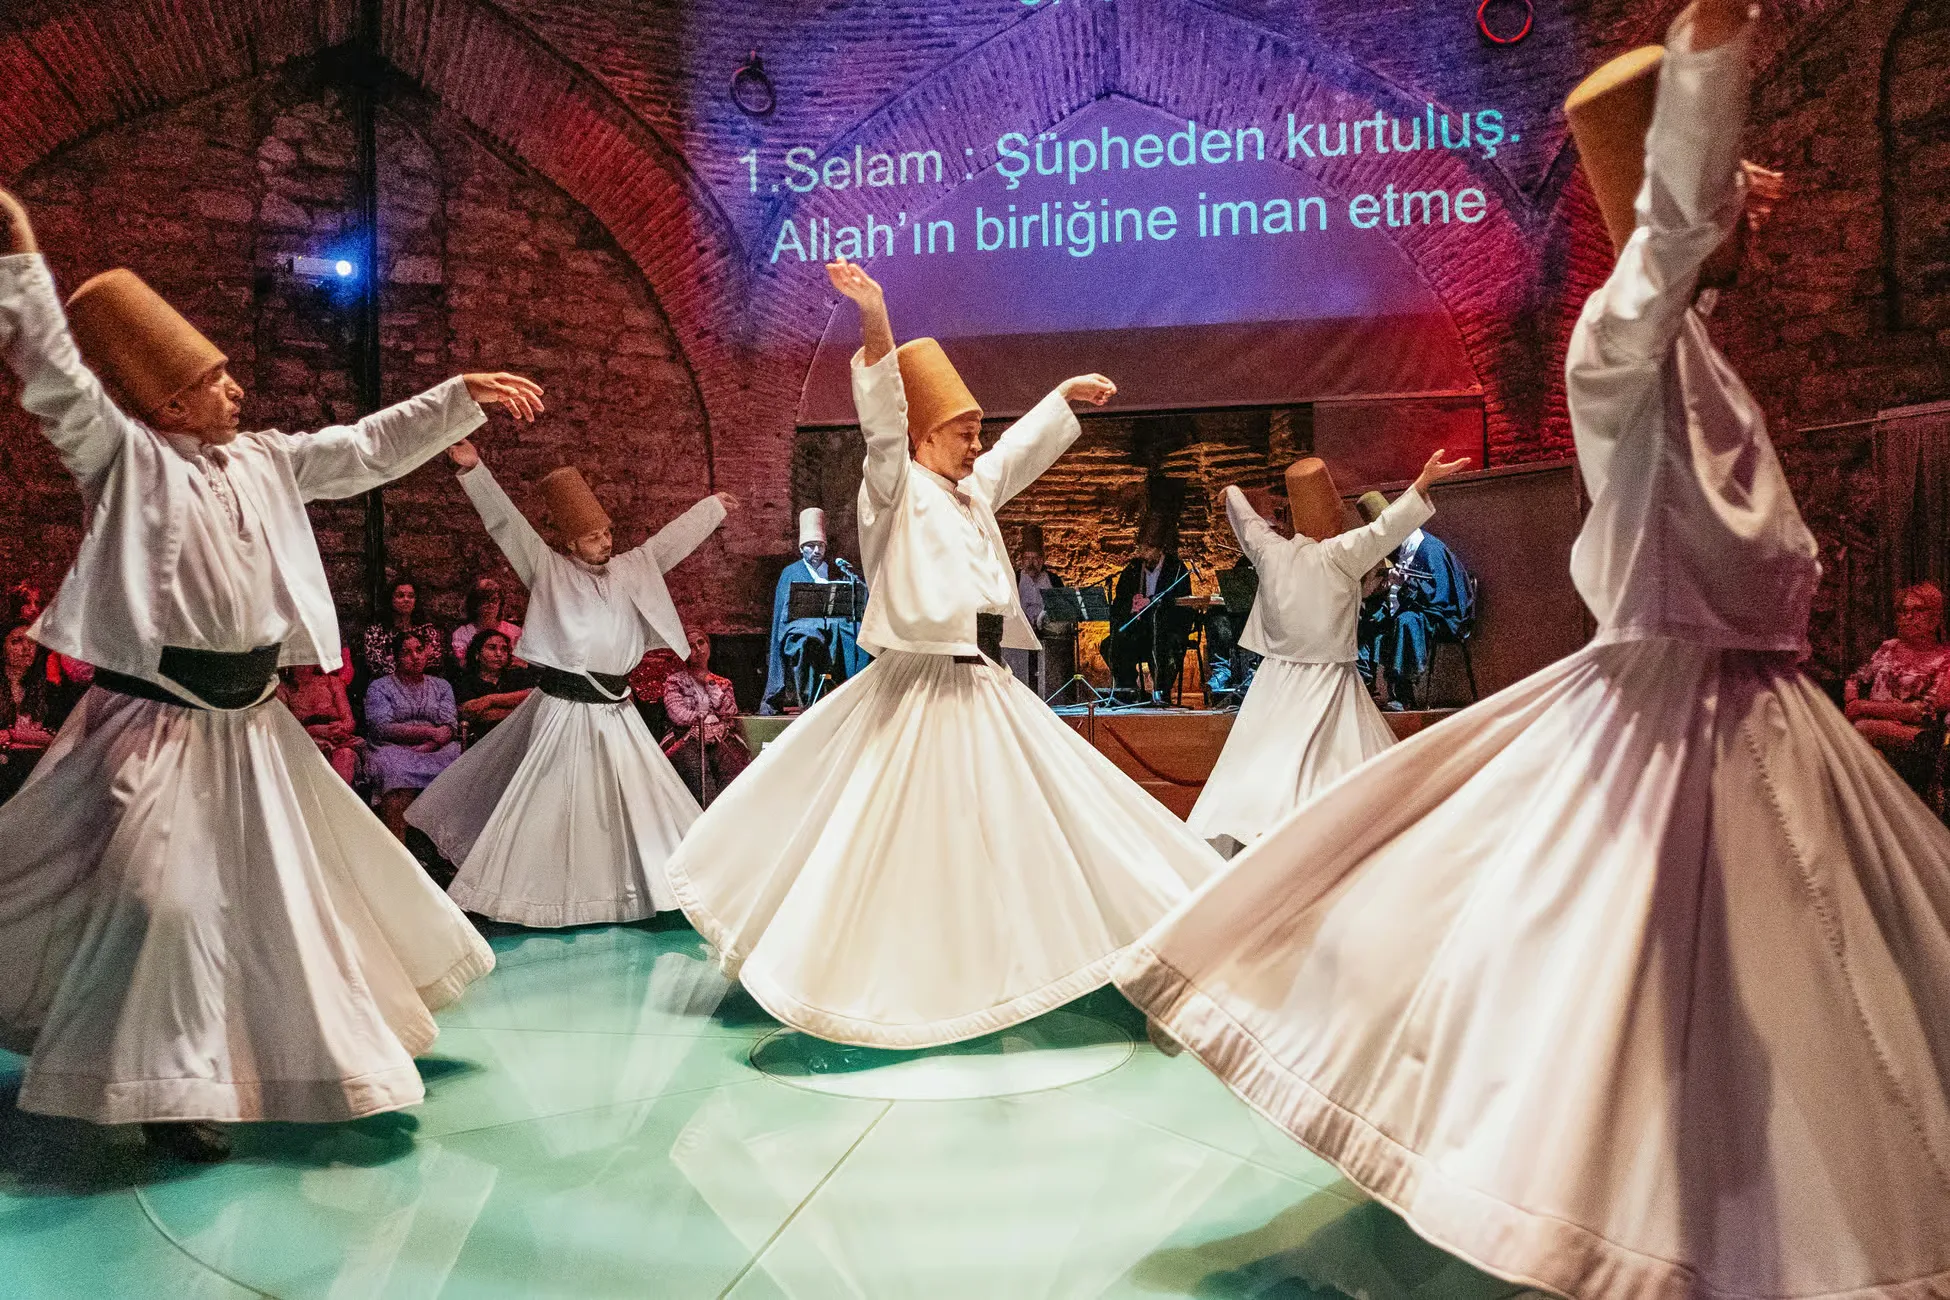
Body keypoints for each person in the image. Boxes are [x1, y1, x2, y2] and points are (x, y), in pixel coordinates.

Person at [1116, 8, 1950, 1295]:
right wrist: (1710, 71)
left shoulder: (1686, 352)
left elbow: (1377, 530)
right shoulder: (1624, 336)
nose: (1755, 220)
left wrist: (1415, 495)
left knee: (1772, 985)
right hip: (1674, 710)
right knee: (1614, 974)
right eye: (1729, 198)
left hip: (1748, 705)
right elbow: (1668, 238)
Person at [0, 186, 532, 1162]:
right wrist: (20, 260)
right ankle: (158, 1084)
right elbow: (59, 383)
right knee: (159, 896)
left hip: (249, 725)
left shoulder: (265, 461)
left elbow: (363, 447)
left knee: (279, 899)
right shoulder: (125, 460)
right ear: (168, 403)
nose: (235, 389)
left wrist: (459, 393)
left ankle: (266, 1056)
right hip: (156, 725)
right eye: (215, 380)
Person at [663, 259, 1219, 1049]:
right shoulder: (894, 491)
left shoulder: (968, 489)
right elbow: (883, 424)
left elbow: (1014, 458)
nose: (976, 444)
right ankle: (895, 975)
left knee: (1041, 813)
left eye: (976, 432)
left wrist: (1060, 400)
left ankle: (1046, 952)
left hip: (979, 682)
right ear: (926, 437)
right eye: (964, 432)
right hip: (918, 682)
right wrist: (876, 319)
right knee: (898, 831)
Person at [408, 443, 733, 927]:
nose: (605, 541)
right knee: (556, 805)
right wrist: (475, 470)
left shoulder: (629, 568)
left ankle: (650, 890)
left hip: (617, 709)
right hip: (567, 707)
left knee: (639, 800)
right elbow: (507, 526)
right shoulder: (549, 569)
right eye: (593, 536)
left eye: (606, 533)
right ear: (570, 544)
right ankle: (533, 898)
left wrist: (712, 509)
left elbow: (669, 543)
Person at [1185, 454, 1465, 857]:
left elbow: (1246, 523)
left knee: (1262, 767)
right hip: (1331, 681)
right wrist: (1421, 483)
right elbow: (1385, 530)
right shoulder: (1340, 554)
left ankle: (1269, 840)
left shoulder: (1271, 551)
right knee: (1344, 763)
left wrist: (1231, 493)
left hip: (1274, 684)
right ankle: (1329, 847)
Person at [1354, 489, 1474, 710]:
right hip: (1414, 608)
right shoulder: (1400, 553)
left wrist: (1405, 587)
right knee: (1369, 618)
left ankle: (1403, 693)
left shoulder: (1429, 549)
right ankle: (1364, 686)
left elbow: (1440, 597)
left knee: (1407, 620)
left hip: (1443, 615)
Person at [1845, 580, 1950, 795]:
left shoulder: (1945, 657)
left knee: (1860, 730)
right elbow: (1854, 679)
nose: (1907, 617)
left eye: (1917, 610)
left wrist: (1862, 707)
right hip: (1875, 728)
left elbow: (1925, 711)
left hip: (1918, 738)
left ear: (1936, 618)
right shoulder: (1888, 647)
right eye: (1902, 611)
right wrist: (1851, 702)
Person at [762, 507, 868, 713]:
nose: (817, 551)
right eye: (811, 546)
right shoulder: (791, 572)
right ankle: (812, 701)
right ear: (802, 549)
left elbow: (853, 602)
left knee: (857, 632)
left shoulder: (836, 569)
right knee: (808, 639)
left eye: (820, 545)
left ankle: (854, 696)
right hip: (801, 627)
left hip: (834, 625)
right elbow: (783, 616)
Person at [363, 630, 461, 842]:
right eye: (406, 652)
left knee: (458, 758)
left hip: (436, 749)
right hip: (394, 746)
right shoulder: (379, 687)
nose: (415, 657)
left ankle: (446, 849)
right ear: (395, 657)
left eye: (419, 650)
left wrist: (431, 743)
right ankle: (398, 846)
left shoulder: (441, 686)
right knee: (391, 767)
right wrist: (429, 732)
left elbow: (449, 726)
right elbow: (382, 727)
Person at [1105, 515, 1195, 704]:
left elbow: (1182, 603)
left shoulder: (1177, 569)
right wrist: (1131, 603)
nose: (1142, 554)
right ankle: (1129, 691)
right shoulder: (1132, 569)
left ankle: (1162, 692)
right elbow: (1119, 601)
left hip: (1167, 629)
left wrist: (1152, 602)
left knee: (1166, 645)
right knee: (1111, 644)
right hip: (1140, 631)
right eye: (1141, 548)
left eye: (1147, 549)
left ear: (1159, 549)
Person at [664, 629, 752, 807]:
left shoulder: (722, 682)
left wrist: (709, 683)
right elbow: (677, 713)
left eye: (701, 643)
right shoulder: (674, 681)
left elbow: (729, 711)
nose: (698, 649)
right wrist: (706, 720)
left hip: (719, 738)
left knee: (732, 774)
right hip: (687, 738)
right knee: (701, 781)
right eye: (691, 646)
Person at [1000, 522, 1076, 696]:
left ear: (1042, 560)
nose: (1031, 563)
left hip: (1048, 631)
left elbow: (1061, 607)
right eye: (1028, 559)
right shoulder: (1014, 578)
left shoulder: (1053, 580)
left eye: (1035, 559)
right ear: (1021, 559)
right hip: (1021, 628)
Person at [0, 621, 60, 802]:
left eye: (32, 641)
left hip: (34, 767)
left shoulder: (49, 690)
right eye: (17, 641)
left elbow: (57, 735)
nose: (26, 648)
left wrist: (13, 734)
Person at [276, 662, 361, 786]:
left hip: (335, 739)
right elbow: (284, 729)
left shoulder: (332, 682)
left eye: (307, 661)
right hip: (301, 741)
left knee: (345, 755)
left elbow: (349, 722)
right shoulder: (283, 689)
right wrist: (315, 730)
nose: (303, 667)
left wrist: (336, 729)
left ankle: (335, 802)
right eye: (299, 662)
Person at [452, 627, 532, 744]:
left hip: (519, 737)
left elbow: (532, 696)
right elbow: (470, 712)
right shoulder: (465, 680)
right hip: (482, 741)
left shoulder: (517, 675)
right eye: (492, 648)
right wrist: (517, 710)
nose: (499, 654)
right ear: (477, 654)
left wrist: (489, 700)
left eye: (504, 649)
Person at [359, 575, 444, 683]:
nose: (406, 600)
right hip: (389, 685)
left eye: (411, 596)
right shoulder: (376, 632)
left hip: (422, 683)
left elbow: (435, 662)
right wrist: (423, 656)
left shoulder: (427, 630)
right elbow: (377, 666)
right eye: (400, 596)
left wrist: (399, 662)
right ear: (391, 599)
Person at [451, 576, 523, 666]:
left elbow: (521, 663)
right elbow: (463, 664)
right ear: (474, 604)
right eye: (484, 601)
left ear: (500, 603)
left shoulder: (514, 632)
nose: (490, 606)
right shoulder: (462, 633)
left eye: (494, 600)